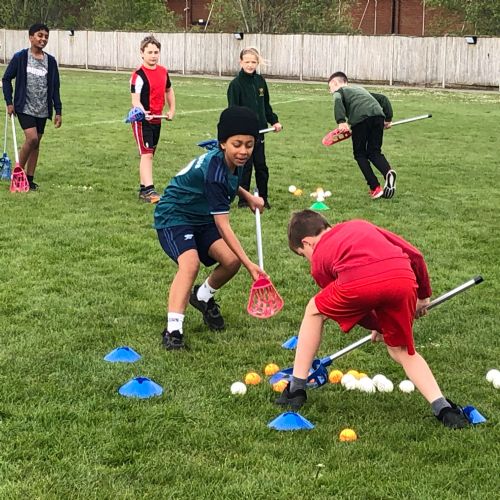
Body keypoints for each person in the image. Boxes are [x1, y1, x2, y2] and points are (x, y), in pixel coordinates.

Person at [276, 209, 470, 429]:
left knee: (314, 310)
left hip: (360, 283)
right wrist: (423, 296)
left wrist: (376, 324)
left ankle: (296, 389)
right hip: (403, 277)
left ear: (307, 243)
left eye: (303, 255)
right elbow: (415, 255)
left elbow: (355, 301)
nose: (308, 260)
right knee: (401, 350)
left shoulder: (319, 260)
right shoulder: (359, 225)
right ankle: (444, 409)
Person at [154, 106, 266, 350]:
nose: (244, 151)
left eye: (249, 145)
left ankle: (202, 297)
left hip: (201, 216)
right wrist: (250, 264)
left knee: (230, 261)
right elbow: (223, 225)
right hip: (175, 215)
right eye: (237, 144)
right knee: (190, 264)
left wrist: (247, 196)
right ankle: (173, 330)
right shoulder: (213, 171)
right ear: (223, 143)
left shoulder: (234, 160)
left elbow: (229, 182)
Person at [2, 23, 62, 191]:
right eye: (39, 35)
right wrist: (9, 102)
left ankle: (29, 179)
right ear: (31, 37)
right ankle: (17, 175)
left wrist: (58, 110)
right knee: (32, 139)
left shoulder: (50, 61)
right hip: (24, 107)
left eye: (46, 36)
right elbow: (6, 79)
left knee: (36, 144)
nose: (43, 39)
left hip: (42, 109)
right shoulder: (20, 57)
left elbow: (55, 87)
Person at [227, 47, 282, 209]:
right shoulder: (235, 84)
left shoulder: (260, 81)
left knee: (261, 166)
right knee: (245, 167)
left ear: (257, 63)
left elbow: (266, 106)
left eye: (253, 62)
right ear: (241, 62)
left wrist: (274, 121)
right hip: (244, 134)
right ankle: (243, 200)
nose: (250, 65)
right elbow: (233, 110)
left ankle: (263, 198)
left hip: (260, 133)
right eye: (247, 62)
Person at [328, 71, 396, 200]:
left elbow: (337, 99)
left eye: (330, 88)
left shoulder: (339, 92)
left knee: (360, 154)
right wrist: (387, 119)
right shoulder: (360, 89)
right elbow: (383, 98)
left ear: (335, 83)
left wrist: (341, 121)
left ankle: (375, 188)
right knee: (374, 151)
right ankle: (388, 172)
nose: (330, 91)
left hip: (360, 120)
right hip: (378, 117)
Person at [130, 35, 176, 204]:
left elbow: (169, 90)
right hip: (142, 120)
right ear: (142, 53)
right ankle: (149, 190)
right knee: (147, 154)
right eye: (149, 52)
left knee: (149, 154)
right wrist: (143, 112)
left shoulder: (163, 72)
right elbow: (135, 100)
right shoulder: (138, 75)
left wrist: (171, 109)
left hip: (157, 119)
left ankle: (144, 189)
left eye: (156, 52)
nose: (153, 55)